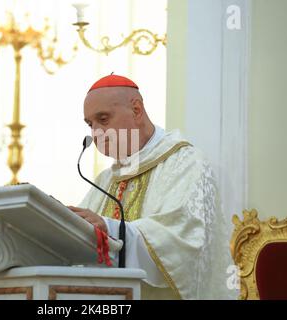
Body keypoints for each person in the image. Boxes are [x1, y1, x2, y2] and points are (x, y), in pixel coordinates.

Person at [68, 74, 236, 300]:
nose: (96, 133)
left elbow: (185, 241)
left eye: (104, 119)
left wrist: (110, 229)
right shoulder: (106, 179)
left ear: (136, 110)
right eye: (90, 124)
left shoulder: (186, 163)